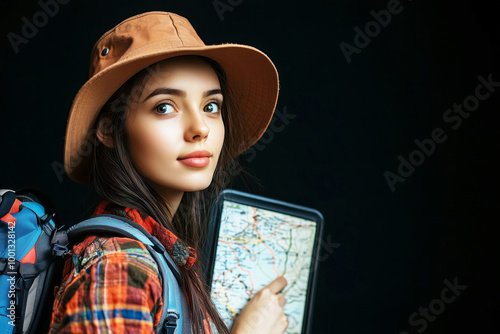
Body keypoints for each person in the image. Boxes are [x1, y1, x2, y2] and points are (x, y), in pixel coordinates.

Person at [49, 11, 288, 334]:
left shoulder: (164, 258)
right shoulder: (121, 267)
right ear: (108, 128)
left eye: (211, 106)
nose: (200, 127)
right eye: (164, 107)